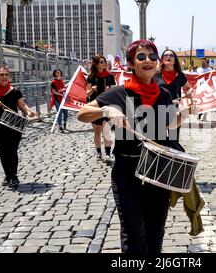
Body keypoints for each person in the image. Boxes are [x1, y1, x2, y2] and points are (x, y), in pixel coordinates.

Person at [77, 40, 193, 254]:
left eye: (152, 56)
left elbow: (169, 123)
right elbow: (82, 113)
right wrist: (106, 111)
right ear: (131, 63)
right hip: (127, 173)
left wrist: (183, 113)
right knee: (132, 234)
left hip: (158, 172)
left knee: (155, 232)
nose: (147, 60)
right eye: (141, 57)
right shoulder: (119, 93)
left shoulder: (163, 94)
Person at [0, 67, 35, 187]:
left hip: (13, 125)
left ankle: (14, 176)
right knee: (3, 152)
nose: (4, 77)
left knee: (12, 151)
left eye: (6, 75)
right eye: (1, 75)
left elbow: (22, 105)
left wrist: (28, 112)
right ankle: (7, 175)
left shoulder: (15, 91)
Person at [154, 49, 193, 141]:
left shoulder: (180, 75)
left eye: (171, 55)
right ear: (162, 59)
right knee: (160, 140)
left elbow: (189, 88)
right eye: (165, 55)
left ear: (175, 60)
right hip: (158, 111)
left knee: (173, 140)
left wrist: (189, 93)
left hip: (174, 111)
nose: (168, 57)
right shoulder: (155, 74)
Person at [86, 54, 117, 163]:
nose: (104, 64)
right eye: (101, 62)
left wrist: (109, 90)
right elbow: (87, 93)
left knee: (106, 130)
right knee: (97, 131)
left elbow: (114, 92)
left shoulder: (110, 76)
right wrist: (93, 89)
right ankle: (99, 152)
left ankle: (108, 153)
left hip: (107, 106)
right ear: (96, 64)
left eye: (104, 62)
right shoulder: (91, 77)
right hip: (95, 107)